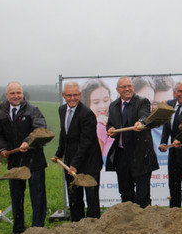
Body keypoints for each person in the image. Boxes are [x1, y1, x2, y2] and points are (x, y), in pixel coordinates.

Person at [0, 82, 48, 234]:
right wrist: (3, 149)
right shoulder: (1, 113)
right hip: (15, 163)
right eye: (12, 93)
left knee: (37, 197)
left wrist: (27, 141)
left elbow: (40, 129)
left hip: (34, 161)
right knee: (16, 196)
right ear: (7, 95)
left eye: (18, 92)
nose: (16, 96)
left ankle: (37, 230)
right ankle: (18, 232)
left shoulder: (33, 110)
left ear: (22, 94)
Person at [52, 82, 103, 221]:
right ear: (64, 96)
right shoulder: (62, 110)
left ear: (80, 95)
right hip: (71, 162)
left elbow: (85, 143)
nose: (72, 98)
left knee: (91, 198)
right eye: (69, 95)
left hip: (89, 163)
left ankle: (93, 227)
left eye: (75, 95)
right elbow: (65, 134)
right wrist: (58, 154)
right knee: (74, 196)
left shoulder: (87, 114)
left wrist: (74, 163)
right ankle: (76, 227)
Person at [106, 77, 159, 208]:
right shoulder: (113, 106)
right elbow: (110, 124)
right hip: (122, 156)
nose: (127, 89)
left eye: (129, 86)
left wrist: (140, 122)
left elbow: (144, 115)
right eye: (123, 87)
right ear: (118, 90)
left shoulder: (142, 102)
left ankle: (144, 223)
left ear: (133, 87)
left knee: (143, 196)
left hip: (141, 156)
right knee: (126, 194)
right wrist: (110, 130)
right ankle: (129, 224)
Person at [80, 79, 114, 156]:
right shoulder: (99, 126)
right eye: (96, 102)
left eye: (106, 100)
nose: (103, 106)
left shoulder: (112, 120)